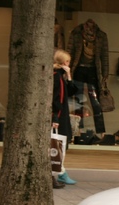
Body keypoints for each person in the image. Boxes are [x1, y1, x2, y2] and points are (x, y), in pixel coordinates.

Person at [66, 19, 109, 138]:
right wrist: (67, 68)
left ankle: (101, 132)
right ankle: (78, 130)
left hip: (93, 70)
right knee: (79, 101)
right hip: (78, 70)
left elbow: (104, 55)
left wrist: (105, 74)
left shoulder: (101, 36)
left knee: (96, 102)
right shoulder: (76, 34)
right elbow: (70, 51)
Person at [52, 49, 79, 187]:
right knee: (60, 143)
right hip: (60, 115)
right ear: (63, 62)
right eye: (67, 61)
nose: (69, 63)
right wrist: (55, 118)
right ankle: (60, 172)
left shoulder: (60, 76)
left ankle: (61, 172)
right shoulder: (57, 77)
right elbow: (57, 98)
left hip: (60, 114)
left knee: (61, 143)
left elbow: (72, 91)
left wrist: (69, 74)